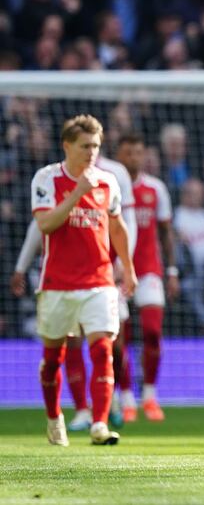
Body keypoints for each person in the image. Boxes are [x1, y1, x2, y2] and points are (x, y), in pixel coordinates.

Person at [11, 141, 138, 433]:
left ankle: (113, 399)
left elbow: (123, 221)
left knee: (113, 344)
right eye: (83, 145)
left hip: (105, 272)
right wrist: (21, 264)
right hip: (66, 278)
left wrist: (126, 263)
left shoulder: (113, 174)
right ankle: (83, 409)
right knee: (74, 341)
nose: (88, 151)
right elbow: (39, 224)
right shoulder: (53, 179)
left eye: (92, 144)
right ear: (70, 146)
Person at [115, 133, 180, 422]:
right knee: (120, 337)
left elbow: (166, 233)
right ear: (119, 155)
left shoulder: (156, 188)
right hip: (116, 270)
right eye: (128, 153)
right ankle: (127, 397)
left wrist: (172, 270)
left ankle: (150, 396)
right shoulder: (108, 187)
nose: (134, 158)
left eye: (138, 152)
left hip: (149, 268)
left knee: (153, 331)